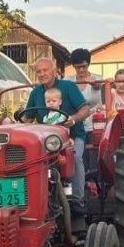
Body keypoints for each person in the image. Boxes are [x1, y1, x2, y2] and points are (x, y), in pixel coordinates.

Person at [22, 57, 90, 203]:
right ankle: (33, 199)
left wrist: (73, 119)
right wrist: (13, 125)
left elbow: (85, 109)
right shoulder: (36, 93)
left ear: (54, 71)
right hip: (47, 141)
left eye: (45, 70)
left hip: (73, 136)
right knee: (28, 160)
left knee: (75, 157)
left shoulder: (68, 87)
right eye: (38, 71)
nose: (41, 74)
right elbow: (27, 117)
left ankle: (78, 199)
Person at [67, 48, 102, 169]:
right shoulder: (68, 82)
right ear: (73, 67)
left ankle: (95, 184)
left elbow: (99, 86)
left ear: (88, 65)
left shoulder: (97, 78)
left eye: (84, 66)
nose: (81, 70)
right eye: (78, 67)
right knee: (77, 157)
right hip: (76, 125)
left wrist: (94, 83)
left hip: (95, 124)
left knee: (95, 158)